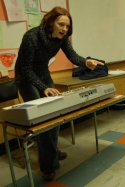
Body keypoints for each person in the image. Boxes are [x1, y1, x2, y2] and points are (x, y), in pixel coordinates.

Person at [14, 6, 104, 181]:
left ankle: (51, 151)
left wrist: (86, 62)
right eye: (61, 24)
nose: (64, 29)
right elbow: (25, 69)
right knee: (42, 117)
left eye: (67, 26)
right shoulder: (31, 37)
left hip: (43, 74)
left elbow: (73, 56)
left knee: (54, 112)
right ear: (50, 23)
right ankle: (49, 165)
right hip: (25, 78)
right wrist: (43, 88)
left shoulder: (61, 38)